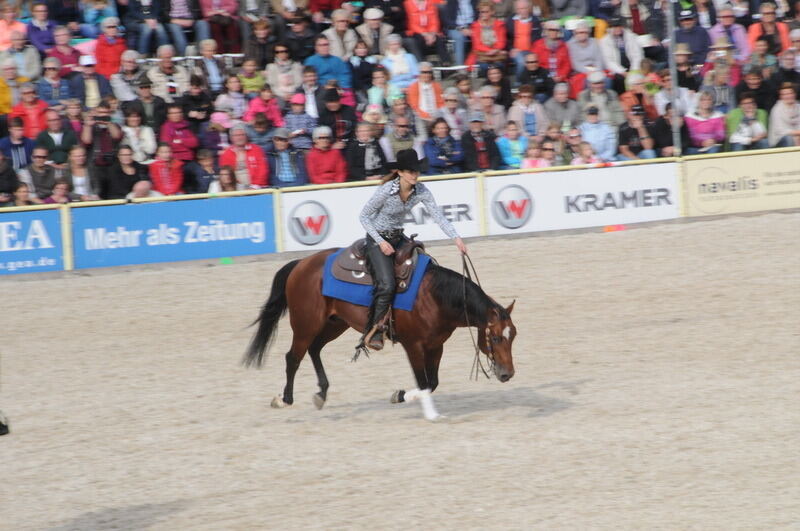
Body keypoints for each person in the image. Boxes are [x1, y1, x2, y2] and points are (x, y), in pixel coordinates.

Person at [356, 148, 467, 352]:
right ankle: (375, 330)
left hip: (398, 238)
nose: (414, 174)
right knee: (387, 284)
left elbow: (438, 215)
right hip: (376, 239)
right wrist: (380, 242)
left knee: (425, 270)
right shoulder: (385, 190)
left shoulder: (422, 191)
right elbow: (363, 216)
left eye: (416, 170)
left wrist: (456, 238)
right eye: (410, 171)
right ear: (399, 172)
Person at [769, 82, 800, 146]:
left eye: (790, 93)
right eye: (785, 94)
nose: (788, 96)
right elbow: (780, 131)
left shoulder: (798, 107)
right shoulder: (776, 109)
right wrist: (797, 133)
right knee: (789, 138)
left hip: (797, 136)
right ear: (781, 96)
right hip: (779, 140)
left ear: (794, 94)